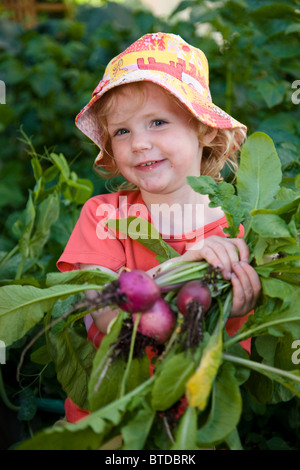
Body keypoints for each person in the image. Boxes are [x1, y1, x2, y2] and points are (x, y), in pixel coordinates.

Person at [57, 32, 261, 422]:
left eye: (157, 122)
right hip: (104, 418)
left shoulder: (240, 230)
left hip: (194, 423)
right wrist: (180, 271)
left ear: (203, 129)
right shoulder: (104, 217)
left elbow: (234, 356)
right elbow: (105, 314)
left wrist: (233, 311)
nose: (138, 143)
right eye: (122, 131)